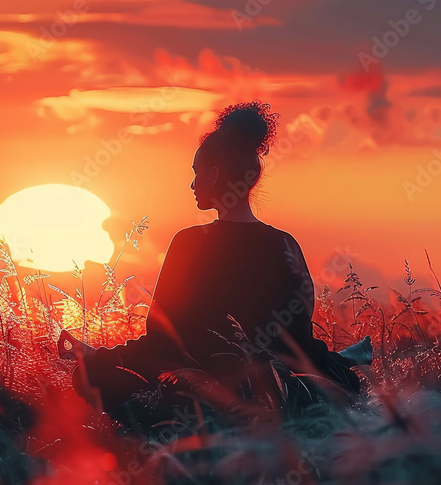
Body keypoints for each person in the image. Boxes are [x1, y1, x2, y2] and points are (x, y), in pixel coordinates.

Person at [58, 101, 370, 430]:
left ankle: (176, 429)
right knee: (337, 382)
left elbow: (162, 342)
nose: (193, 185)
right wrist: (334, 365)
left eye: (197, 173)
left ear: (216, 174)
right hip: (274, 395)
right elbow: (298, 345)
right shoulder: (284, 244)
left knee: (89, 377)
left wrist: (101, 357)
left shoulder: (189, 243)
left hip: (200, 393)